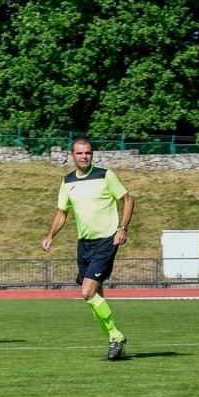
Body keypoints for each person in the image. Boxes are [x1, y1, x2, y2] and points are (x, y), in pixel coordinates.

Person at [41, 138, 134, 360]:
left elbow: (128, 200)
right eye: (80, 153)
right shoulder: (68, 182)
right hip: (84, 244)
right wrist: (50, 236)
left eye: (88, 153)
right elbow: (62, 213)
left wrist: (123, 228)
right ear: (71, 155)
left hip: (106, 240)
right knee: (95, 297)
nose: (84, 156)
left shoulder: (105, 175)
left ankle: (115, 335)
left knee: (87, 292)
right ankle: (114, 344)